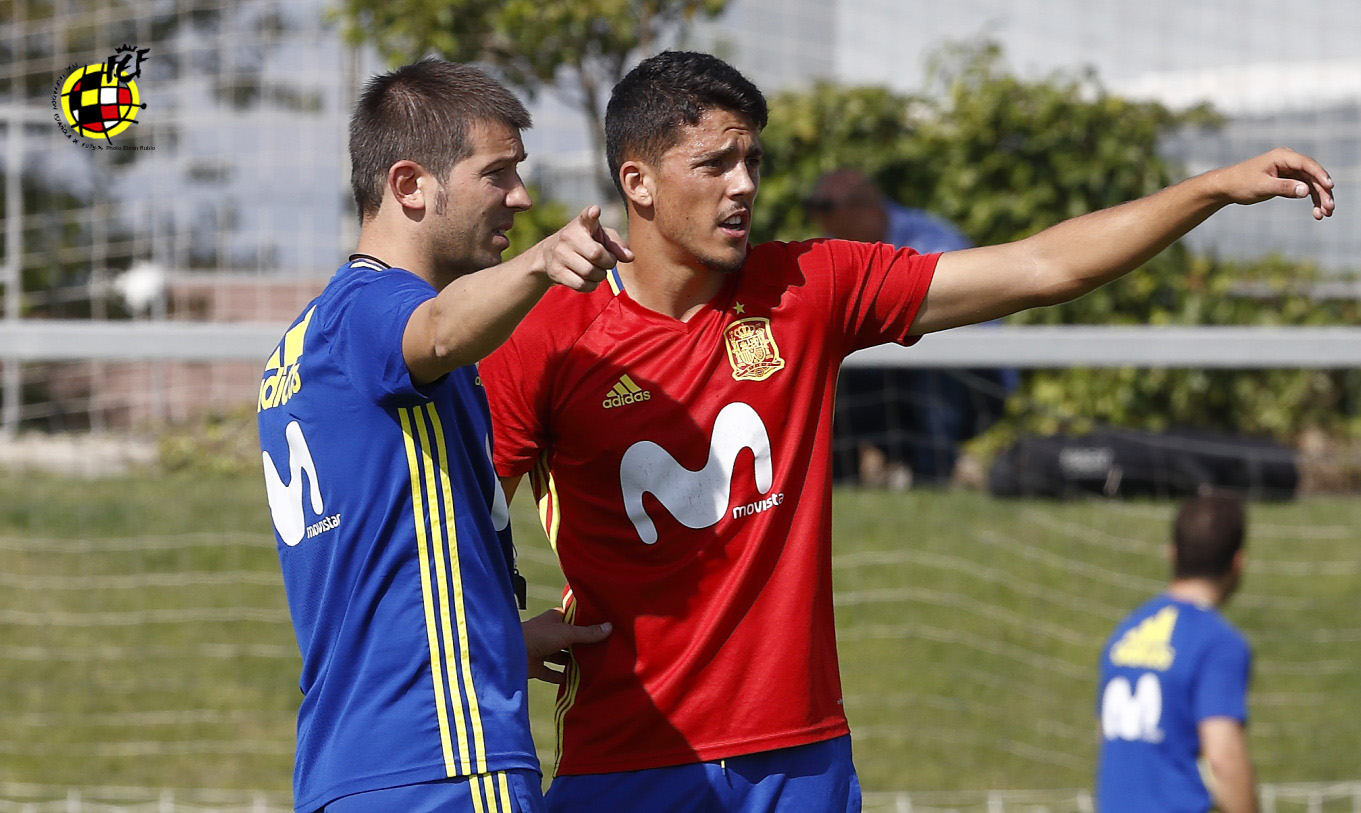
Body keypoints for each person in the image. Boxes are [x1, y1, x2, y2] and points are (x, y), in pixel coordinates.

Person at [478, 50, 1331, 811]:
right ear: (637, 182)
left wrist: (1210, 188)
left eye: (752, 161)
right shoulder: (548, 336)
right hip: (627, 754)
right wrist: (501, 636)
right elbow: (456, 525)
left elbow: (1043, 266)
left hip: (798, 756)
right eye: (714, 163)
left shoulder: (806, 287)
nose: (743, 185)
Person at [256, 58, 627, 813]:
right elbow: (434, 330)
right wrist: (541, 264)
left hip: (348, 769)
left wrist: (499, 642)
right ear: (410, 186)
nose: (520, 197)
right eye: (497, 173)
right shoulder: (377, 309)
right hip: (446, 759)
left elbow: (383, 565)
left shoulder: (297, 349)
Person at [804, 169, 1015, 487]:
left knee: (929, 372)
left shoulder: (932, 239)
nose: (817, 219)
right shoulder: (835, 249)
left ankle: (932, 480)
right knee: (824, 374)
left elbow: (947, 324)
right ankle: (833, 484)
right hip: (891, 372)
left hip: (971, 380)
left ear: (865, 207)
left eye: (825, 207)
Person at [1096, 492, 1257, 812]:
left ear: (1172, 553)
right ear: (1238, 562)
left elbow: (1106, 737)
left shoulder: (1126, 633)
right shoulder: (1217, 643)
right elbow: (1223, 759)